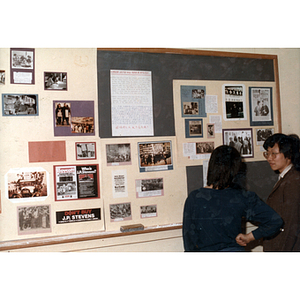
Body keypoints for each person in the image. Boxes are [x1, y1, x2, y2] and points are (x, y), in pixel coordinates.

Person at [182, 145, 283, 251]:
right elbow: (275, 221)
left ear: (211, 166)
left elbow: (189, 243)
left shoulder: (194, 198)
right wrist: (249, 237)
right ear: (235, 170)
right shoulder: (242, 196)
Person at [262, 133, 300, 251]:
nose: (269, 158)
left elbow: (291, 226)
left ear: (288, 155)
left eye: (274, 154)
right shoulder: (286, 177)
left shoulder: (293, 181)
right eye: (267, 153)